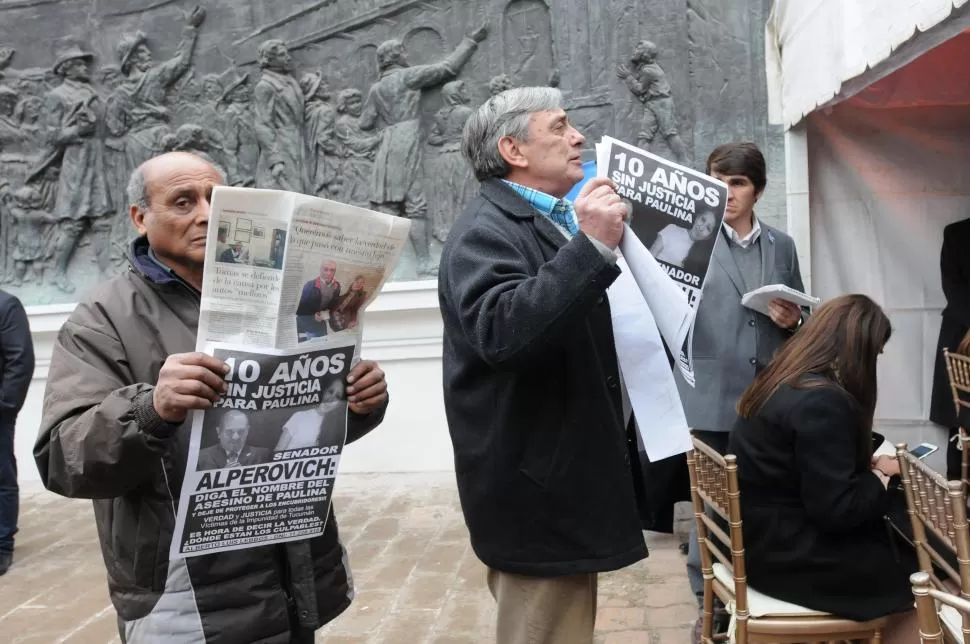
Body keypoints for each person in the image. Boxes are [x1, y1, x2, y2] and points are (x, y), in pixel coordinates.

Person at [35, 151, 390, 643]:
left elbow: (297, 429)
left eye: (215, 199)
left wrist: (356, 403)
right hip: (185, 596)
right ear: (141, 218)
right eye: (183, 202)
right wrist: (152, 409)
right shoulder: (102, 318)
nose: (206, 213)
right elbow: (62, 457)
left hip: (294, 577)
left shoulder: (282, 296)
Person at [439, 87, 648, 644]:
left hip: (557, 482)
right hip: (536, 490)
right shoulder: (485, 231)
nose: (578, 136)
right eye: (558, 127)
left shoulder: (540, 219)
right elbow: (502, 332)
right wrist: (592, 248)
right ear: (514, 149)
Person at [728, 294, 918, 643]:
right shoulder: (822, 401)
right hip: (793, 560)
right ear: (857, 349)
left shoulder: (780, 379)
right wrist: (881, 476)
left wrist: (863, 464)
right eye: (874, 354)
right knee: (923, 570)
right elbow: (838, 510)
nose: (874, 363)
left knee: (907, 542)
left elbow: (804, 464)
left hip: (761, 545)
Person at [680, 142, 807, 639]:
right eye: (717, 180)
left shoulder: (783, 245)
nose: (726, 192)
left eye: (737, 183)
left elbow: (804, 314)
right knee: (710, 504)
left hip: (772, 396)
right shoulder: (690, 241)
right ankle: (708, 602)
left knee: (768, 497)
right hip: (711, 394)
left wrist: (795, 319)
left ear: (758, 189)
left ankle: (764, 590)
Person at [929, 217, 970, 480]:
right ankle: (958, 510)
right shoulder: (956, 233)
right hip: (960, 336)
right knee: (960, 423)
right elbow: (952, 287)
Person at [0, 288, 34, 576]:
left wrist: (5, 406)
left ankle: (2, 544)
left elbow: (20, 360)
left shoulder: (6, 305)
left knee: (0, 476)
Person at [275, 380, 346, 452]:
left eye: (337, 396)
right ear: (325, 391)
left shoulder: (335, 430)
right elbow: (278, 452)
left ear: (340, 404)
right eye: (330, 391)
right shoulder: (300, 416)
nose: (330, 399)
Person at [196, 410, 269, 470]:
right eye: (229, 432)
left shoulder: (262, 455)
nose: (235, 437)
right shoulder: (201, 457)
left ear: (247, 431)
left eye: (241, 431)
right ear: (219, 432)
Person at [649, 210, 717, 268]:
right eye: (703, 220)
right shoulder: (672, 229)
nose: (701, 228)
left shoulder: (701, 260)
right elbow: (650, 255)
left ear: (709, 236)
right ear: (697, 217)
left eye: (708, 228)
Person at [295, 260, 341, 341]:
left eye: (332, 270)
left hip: (322, 321)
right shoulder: (310, 285)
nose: (329, 273)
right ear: (320, 270)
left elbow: (333, 304)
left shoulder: (337, 286)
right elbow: (301, 310)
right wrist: (313, 315)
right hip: (307, 322)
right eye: (325, 269)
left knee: (322, 343)